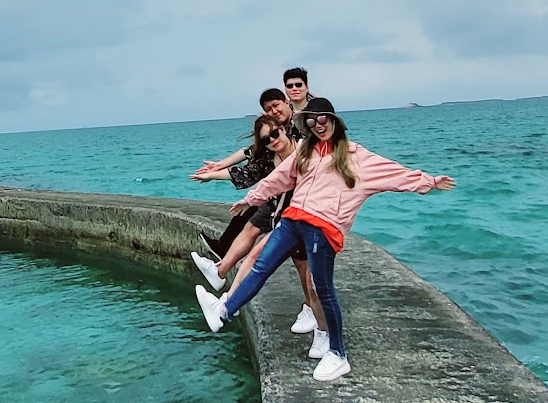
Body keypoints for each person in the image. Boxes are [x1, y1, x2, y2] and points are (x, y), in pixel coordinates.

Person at [194, 97, 457, 382]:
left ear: (332, 120)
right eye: (311, 121)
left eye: (321, 119)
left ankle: (338, 354)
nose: (317, 125)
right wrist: (251, 199)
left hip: (323, 228)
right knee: (260, 267)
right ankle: (223, 312)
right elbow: (279, 178)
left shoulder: (356, 157)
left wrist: (429, 181)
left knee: (322, 290)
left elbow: (394, 174)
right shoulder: (305, 151)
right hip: (292, 220)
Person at [190, 122, 325, 340]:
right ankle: (225, 303)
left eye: (275, 134)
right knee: (258, 259)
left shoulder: (304, 150)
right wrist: (216, 175)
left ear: (285, 130)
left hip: (308, 220)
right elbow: (257, 174)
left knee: (311, 280)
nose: (273, 140)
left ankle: (324, 333)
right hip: (289, 220)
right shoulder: (271, 158)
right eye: (266, 139)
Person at [194, 89, 292, 259]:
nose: (274, 111)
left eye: (276, 105)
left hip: (296, 201)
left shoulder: (299, 130)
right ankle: (223, 251)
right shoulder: (270, 141)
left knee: (253, 220)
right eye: (268, 109)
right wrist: (218, 167)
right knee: (249, 207)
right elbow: (249, 158)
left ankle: (223, 255)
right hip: (279, 194)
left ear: (287, 102)